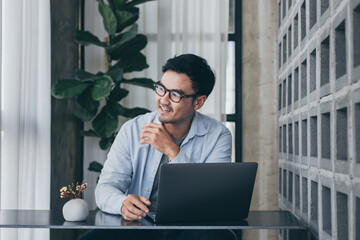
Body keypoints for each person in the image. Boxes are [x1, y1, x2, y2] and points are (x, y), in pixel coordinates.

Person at [81, 54, 235, 240]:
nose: (163, 100)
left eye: (175, 94)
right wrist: (122, 203)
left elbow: (212, 200)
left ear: (198, 102)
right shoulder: (132, 129)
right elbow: (106, 186)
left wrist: (173, 151)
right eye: (161, 89)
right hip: (139, 225)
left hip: (190, 226)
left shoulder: (218, 136)